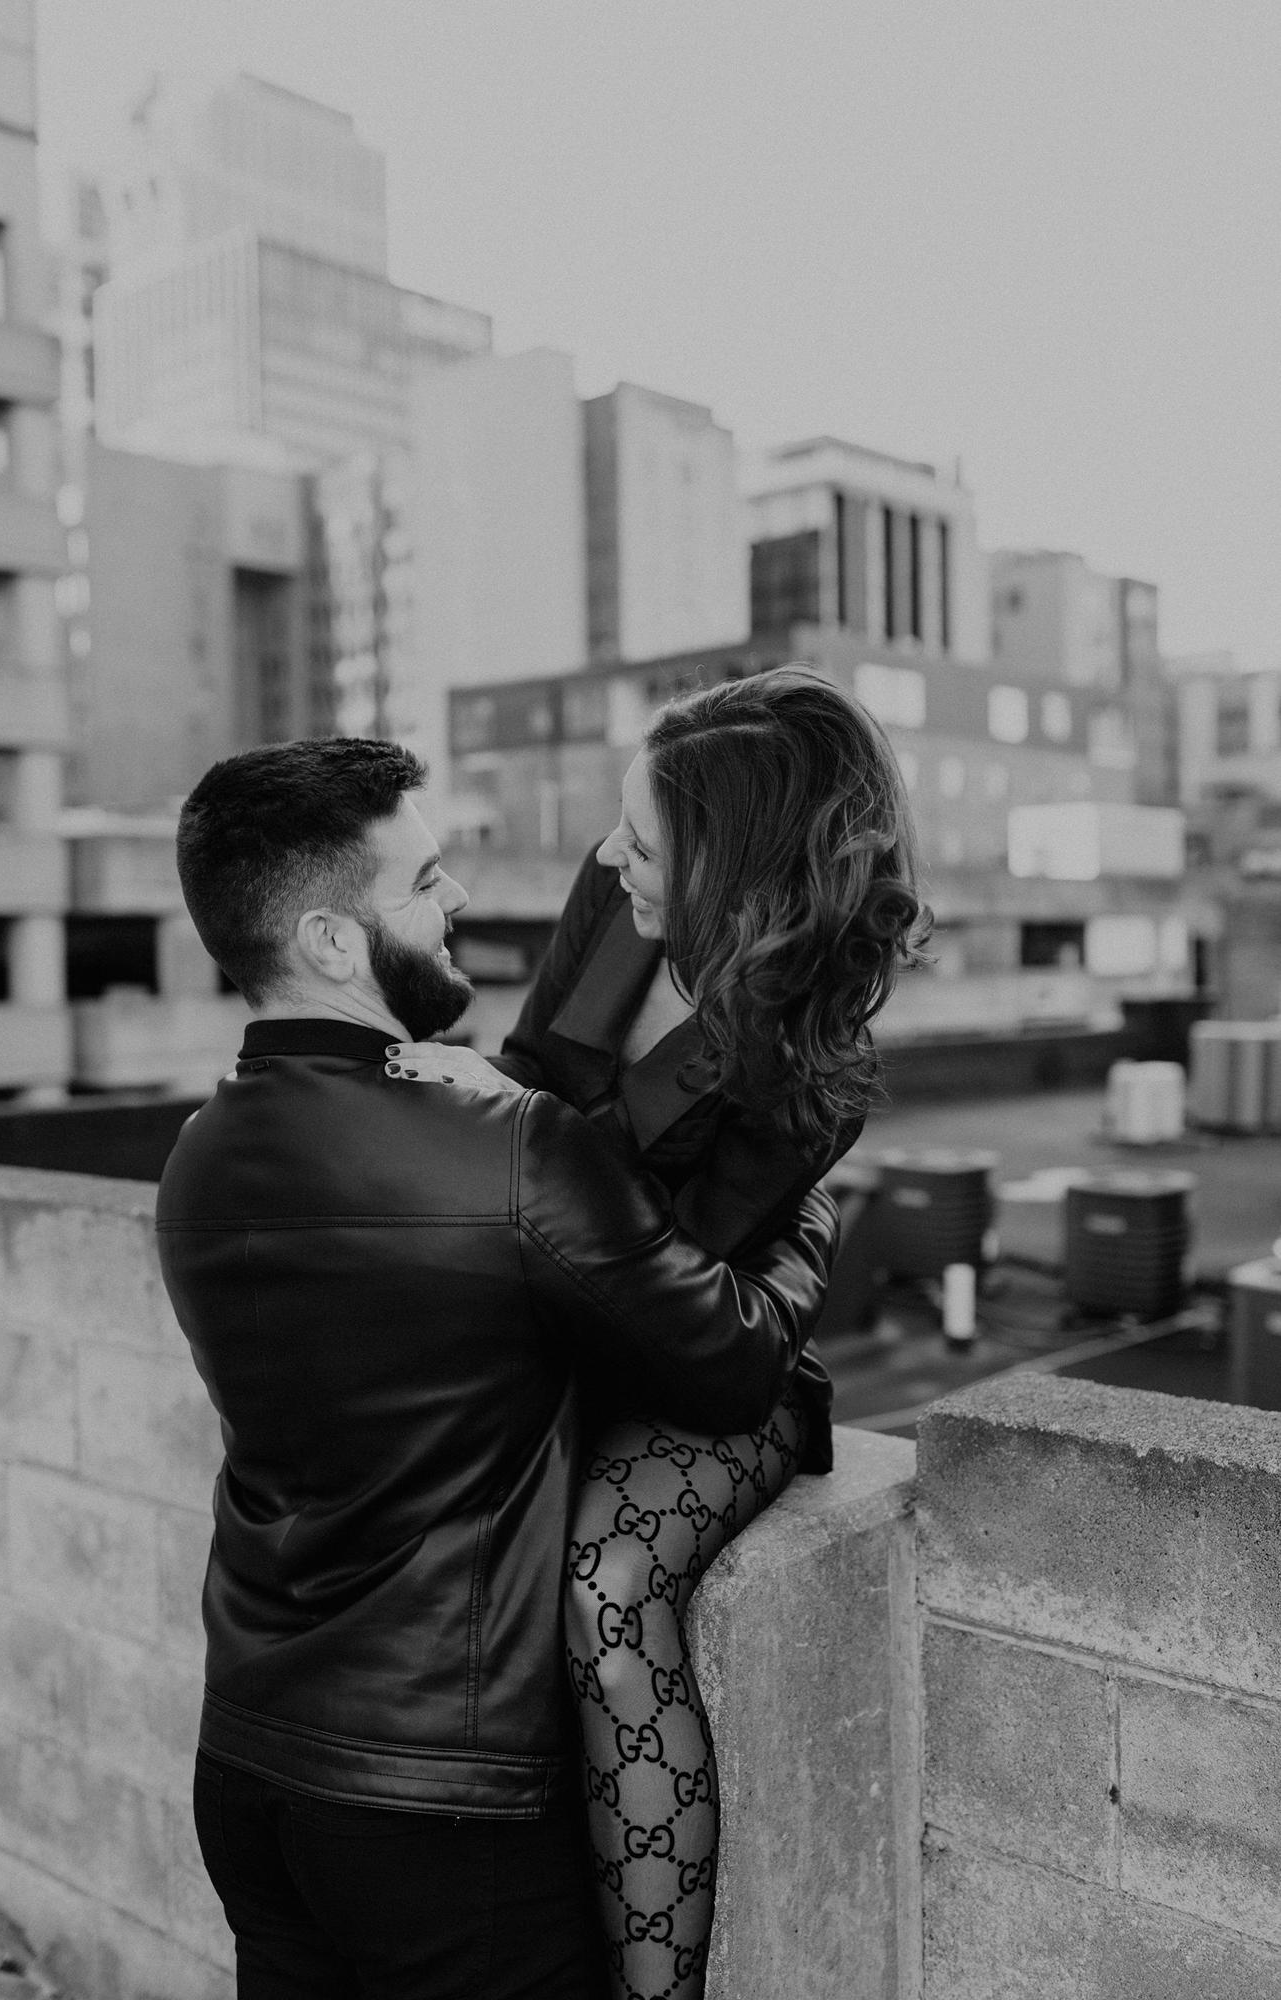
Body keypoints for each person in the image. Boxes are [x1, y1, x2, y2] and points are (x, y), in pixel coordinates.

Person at [155, 734, 841, 2000]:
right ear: (330, 941)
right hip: (437, 1807)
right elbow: (732, 1362)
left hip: (247, 1770)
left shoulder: (198, 1154)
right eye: (423, 882)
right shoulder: (512, 1151)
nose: (458, 895)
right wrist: (810, 1221)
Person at [401, 664, 929, 1999]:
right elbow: (534, 1073)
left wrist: (515, 1129)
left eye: (642, 843)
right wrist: (489, 1110)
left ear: (731, 877)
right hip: (554, 1303)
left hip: (699, 1358)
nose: (607, 857)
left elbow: (659, 1279)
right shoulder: (613, 901)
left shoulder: (808, 1073)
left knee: (608, 1586)